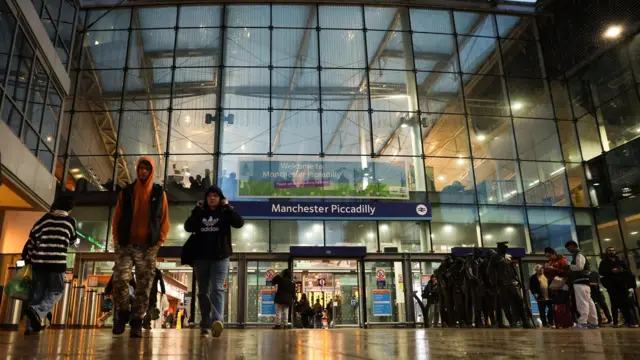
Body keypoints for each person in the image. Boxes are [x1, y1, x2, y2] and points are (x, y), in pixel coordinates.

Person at [111, 156, 170, 338]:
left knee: (144, 286)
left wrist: (158, 242)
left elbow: (164, 219)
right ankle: (123, 313)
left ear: (151, 171)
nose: (144, 171)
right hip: (126, 245)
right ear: (137, 170)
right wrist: (117, 239)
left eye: (147, 168)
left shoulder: (159, 193)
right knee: (120, 279)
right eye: (141, 168)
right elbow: (118, 216)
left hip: (147, 247)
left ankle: (137, 320)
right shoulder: (127, 192)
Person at [184, 185, 244, 337]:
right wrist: (196, 210)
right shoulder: (200, 212)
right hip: (201, 257)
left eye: (215, 196)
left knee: (217, 288)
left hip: (220, 257)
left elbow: (239, 223)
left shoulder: (225, 212)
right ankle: (205, 323)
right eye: (209, 195)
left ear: (220, 198)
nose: (212, 198)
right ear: (206, 198)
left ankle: (217, 321)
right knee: (203, 291)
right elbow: (188, 226)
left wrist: (228, 207)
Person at [23, 194, 79, 335]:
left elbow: (32, 237)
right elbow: (72, 241)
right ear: (70, 208)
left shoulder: (45, 218)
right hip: (57, 263)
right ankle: (37, 311)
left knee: (38, 293)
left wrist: (31, 257)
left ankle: (31, 327)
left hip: (39, 262)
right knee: (56, 291)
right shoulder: (70, 221)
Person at [598, 247, 639, 328]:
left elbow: (627, 271)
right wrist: (611, 271)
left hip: (622, 285)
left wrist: (620, 270)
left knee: (626, 304)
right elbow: (601, 272)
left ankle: (630, 322)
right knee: (614, 304)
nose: (612, 252)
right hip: (612, 286)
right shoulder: (604, 263)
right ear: (607, 252)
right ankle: (615, 322)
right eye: (609, 251)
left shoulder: (620, 261)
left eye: (613, 250)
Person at [565, 241, 598, 329]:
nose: (569, 250)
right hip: (584, 282)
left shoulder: (578, 255)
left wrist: (569, 266)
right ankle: (594, 322)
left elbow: (579, 267)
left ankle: (582, 322)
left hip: (580, 281)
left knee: (582, 302)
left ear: (572, 246)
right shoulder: (578, 254)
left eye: (568, 248)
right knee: (589, 302)